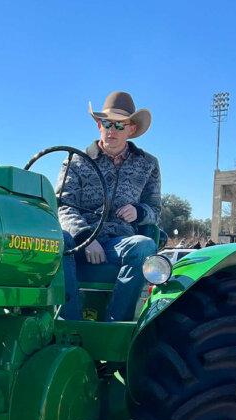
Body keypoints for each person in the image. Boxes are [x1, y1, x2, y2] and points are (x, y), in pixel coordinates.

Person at [58, 91, 161, 321]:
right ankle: (70, 324)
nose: (112, 130)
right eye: (106, 123)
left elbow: (155, 209)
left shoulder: (148, 165)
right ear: (98, 125)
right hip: (78, 242)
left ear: (131, 129)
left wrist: (139, 212)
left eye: (119, 125)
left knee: (143, 246)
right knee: (56, 241)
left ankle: (115, 326)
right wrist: (86, 238)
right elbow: (64, 206)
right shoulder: (76, 161)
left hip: (119, 242)